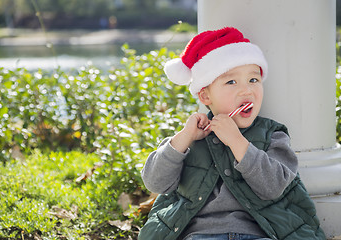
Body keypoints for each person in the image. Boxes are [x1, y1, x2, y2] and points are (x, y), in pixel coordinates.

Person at [138, 27, 326, 240]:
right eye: (231, 82)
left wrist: (237, 142)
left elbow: (274, 187)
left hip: (258, 233)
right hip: (200, 235)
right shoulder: (192, 137)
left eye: (253, 80)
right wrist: (183, 138)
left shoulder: (273, 135)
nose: (246, 90)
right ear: (205, 95)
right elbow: (155, 182)